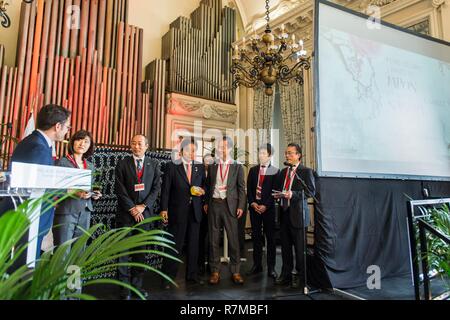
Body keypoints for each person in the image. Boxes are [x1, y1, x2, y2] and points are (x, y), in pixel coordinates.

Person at [2, 104, 71, 261]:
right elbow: (34, 187)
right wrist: (67, 190)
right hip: (29, 221)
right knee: (23, 271)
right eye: (67, 126)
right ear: (58, 126)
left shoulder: (34, 142)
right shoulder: (38, 148)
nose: (68, 130)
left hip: (28, 220)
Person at [115, 134, 162, 300]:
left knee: (140, 252)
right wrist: (132, 208)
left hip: (145, 216)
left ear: (146, 146)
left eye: (140, 143)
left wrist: (143, 206)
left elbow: (156, 188)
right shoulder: (122, 163)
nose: (136, 146)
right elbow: (119, 189)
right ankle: (123, 289)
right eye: (133, 143)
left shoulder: (154, 164)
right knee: (123, 253)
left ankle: (136, 287)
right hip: (126, 216)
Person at [160, 138, 206, 288]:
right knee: (174, 245)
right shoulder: (172, 166)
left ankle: (192, 275)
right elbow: (165, 190)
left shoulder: (199, 167)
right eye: (188, 150)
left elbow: (204, 187)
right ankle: (167, 278)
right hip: (177, 211)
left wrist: (202, 192)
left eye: (194, 150)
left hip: (195, 212)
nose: (191, 153)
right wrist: (164, 209)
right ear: (181, 152)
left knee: (194, 245)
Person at [204, 136, 246, 285]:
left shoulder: (237, 166)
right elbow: (209, 185)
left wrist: (240, 206)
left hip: (231, 206)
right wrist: (206, 202)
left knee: (233, 239)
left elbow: (241, 188)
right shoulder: (213, 166)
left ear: (230, 149)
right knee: (213, 239)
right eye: (219, 147)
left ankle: (235, 271)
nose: (222, 150)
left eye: (224, 147)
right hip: (214, 204)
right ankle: (215, 271)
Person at [274, 143, 315, 289]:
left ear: (298, 155)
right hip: (284, 214)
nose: (287, 156)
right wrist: (278, 194)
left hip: (298, 215)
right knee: (285, 248)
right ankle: (285, 274)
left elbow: (310, 192)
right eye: (286, 153)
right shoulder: (283, 172)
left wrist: (293, 194)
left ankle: (300, 277)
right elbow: (281, 189)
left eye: (290, 153)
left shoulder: (305, 171)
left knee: (299, 250)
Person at [53, 130, 102, 247]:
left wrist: (95, 194)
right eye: (79, 140)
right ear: (73, 142)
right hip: (66, 211)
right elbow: (54, 188)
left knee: (80, 250)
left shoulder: (90, 166)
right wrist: (74, 192)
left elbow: (89, 187)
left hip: (85, 211)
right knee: (63, 250)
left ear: (89, 146)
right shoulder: (62, 162)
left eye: (86, 141)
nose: (82, 144)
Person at [246, 143, 279, 279]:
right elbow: (249, 189)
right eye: (259, 153)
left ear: (270, 155)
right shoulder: (253, 170)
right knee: (256, 238)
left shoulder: (276, 171)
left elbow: (275, 192)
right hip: (255, 208)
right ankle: (257, 265)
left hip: (269, 209)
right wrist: (253, 202)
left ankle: (271, 267)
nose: (261, 155)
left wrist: (266, 205)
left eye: (264, 153)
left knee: (270, 239)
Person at [198, 153, 214, 275]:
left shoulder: (216, 173)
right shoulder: (199, 171)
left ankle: (211, 264)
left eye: (210, 161)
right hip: (201, 208)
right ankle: (200, 263)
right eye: (206, 161)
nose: (208, 163)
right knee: (201, 237)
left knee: (212, 238)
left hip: (213, 208)